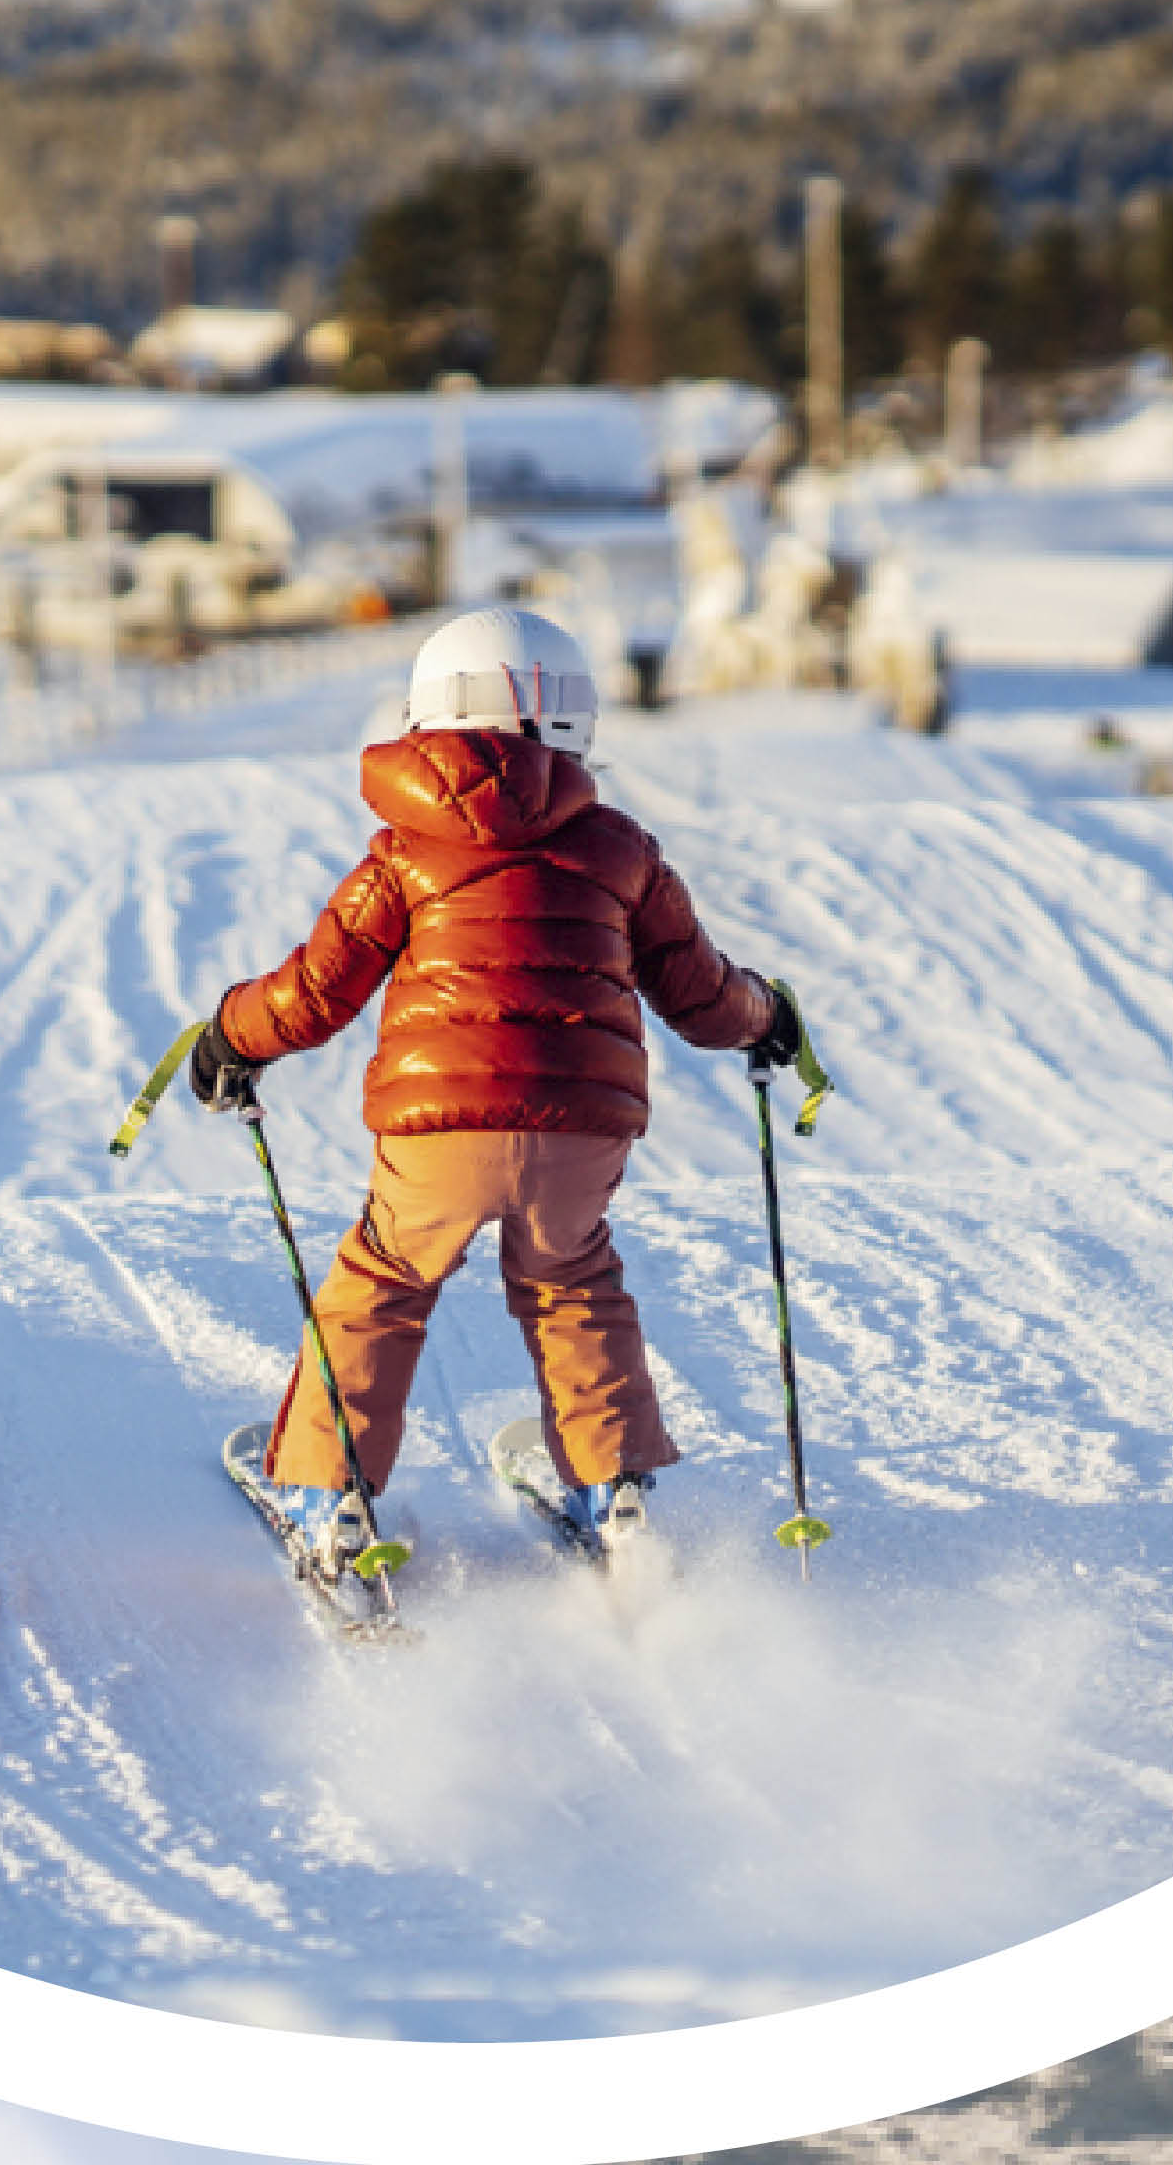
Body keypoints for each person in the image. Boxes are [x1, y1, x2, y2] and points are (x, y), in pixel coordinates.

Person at [186, 598, 811, 1577]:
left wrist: (230, 1035)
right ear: (575, 718)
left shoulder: (404, 852)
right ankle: (613, 1497)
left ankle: (328, 1497)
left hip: (441, 1129)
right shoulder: (620, 850)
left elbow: (314, 992)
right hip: (581, 1125)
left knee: (383, 1281)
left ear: (430, 713)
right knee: (572, 1283)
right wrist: (763, 1015)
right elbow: (699, 992)